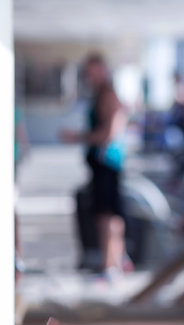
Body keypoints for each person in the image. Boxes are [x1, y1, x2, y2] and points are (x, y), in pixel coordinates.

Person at [61, 53, 132, 280]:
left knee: (107, 215)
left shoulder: (108, 95)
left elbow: (109, 134)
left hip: (106, 163)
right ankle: (115, 260)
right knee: (109, 214)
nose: (89, 77)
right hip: (105, 163)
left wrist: (78, 137)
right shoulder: (102, 94)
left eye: (93, 72)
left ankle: (109, 264)